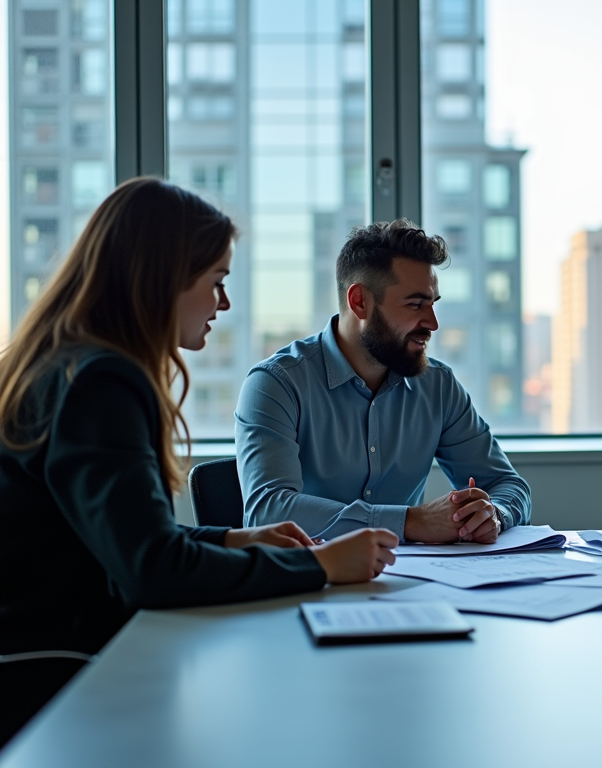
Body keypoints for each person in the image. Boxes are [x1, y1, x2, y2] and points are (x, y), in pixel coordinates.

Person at [0, 179, 397, 743]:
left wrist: (235, 541)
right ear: (163, 280)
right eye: (216, 282)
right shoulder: (101, 382)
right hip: (50, 683)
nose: (224, 303)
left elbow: (127, 538)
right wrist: (324, 566)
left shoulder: (64, 364)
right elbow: (153, 571)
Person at [235, 219, 531, 545]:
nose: (432, 323)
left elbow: (507, 484)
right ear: (360, 301)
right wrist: (409, 522)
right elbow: (267, 512)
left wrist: (493, 514)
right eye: (416, 304)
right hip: (315, 584)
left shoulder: (438, 386)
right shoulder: (276, 384)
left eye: (433, 303)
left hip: (411, 587)